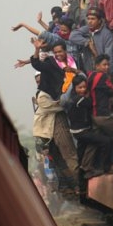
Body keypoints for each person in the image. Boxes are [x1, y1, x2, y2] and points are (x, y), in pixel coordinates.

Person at [28, 39, 79, 192]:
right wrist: (36, 50)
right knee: (63, 155)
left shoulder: (72, 64)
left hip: (56, 112)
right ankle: (75, 185)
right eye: (55, 52)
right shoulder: (51, 64)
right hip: (51, 121)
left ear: (66, 51)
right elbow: (37, 64)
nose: (58, 54)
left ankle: (73, 185)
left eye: (60, 52)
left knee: (65, 155)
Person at [62, 75, 113, 179]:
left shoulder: (73, 98)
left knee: (83, 152)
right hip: (81, 132)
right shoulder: (78, 99)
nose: (82, 90)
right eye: (80, 87)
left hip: (79, 131)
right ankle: (107, 166)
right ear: (75, 87)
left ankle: (84, 171)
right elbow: (91, 103)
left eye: (84, 87)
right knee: (106, 141)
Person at [69, 6, 113, 74]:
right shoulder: (87, 29)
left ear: (99, 21)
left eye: (93, 19)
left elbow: (110, 57)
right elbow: (72, 36)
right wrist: (87, 42)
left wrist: (107, 72)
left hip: (102, 72)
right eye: (88, 19)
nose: (90, 21)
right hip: (89, 70)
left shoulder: (106, 34)